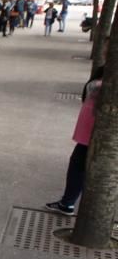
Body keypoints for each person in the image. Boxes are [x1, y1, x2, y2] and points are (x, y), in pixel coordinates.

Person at [46, 67, 104, 215]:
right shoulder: (107, 70)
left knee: (79, 166)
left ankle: (71, 203)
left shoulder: (104, 80)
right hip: (92, 133)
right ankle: (69, 202)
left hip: (97, 133)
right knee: (80, 165)